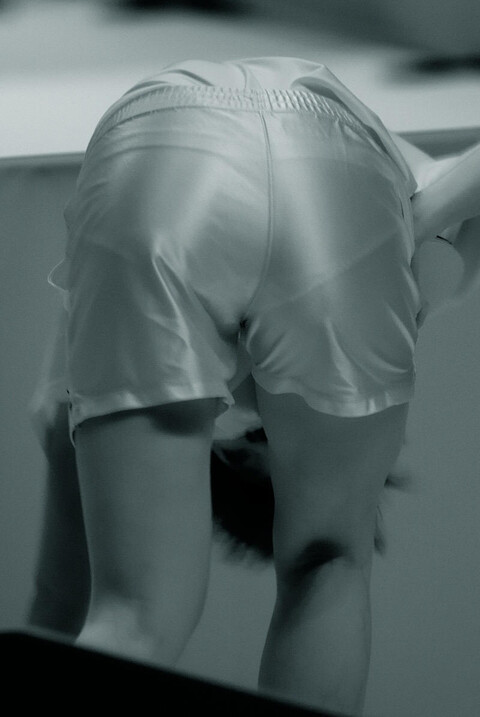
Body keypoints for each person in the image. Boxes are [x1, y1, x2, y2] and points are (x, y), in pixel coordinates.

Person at [27, 57, 480, 715]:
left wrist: (389, 231)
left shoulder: (70, 392)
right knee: (327, 559)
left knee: (138, 615)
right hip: (308, 167)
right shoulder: (434, 273)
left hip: (168, 147)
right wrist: (377, 234)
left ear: (224, 452)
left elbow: (55, 608)